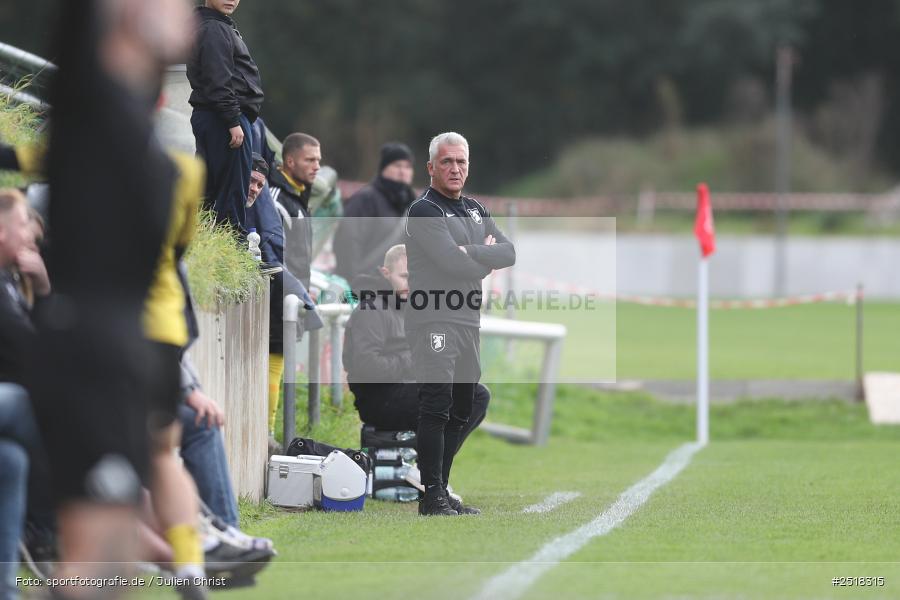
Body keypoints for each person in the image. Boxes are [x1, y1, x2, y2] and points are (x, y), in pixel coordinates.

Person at [32, 0, 196, 594]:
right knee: (96, 563)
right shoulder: (92, 99)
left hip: (121, 349)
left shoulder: (132, 108)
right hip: (91, 349)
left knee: (112, 566)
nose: (187, 14)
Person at [404, 132, 515, 516]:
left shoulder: (474, 209)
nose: (455, 168)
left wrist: (471, 252)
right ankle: (430, 495)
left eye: (462, 162)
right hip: (433, 317)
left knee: (462, 407)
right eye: (447, 162)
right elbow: (451, 263)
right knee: (437, 404)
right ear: (431, 167)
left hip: (467, 319)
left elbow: (509, 251)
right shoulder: (424, 211)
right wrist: (482, 256)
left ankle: (441, 488)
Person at [344, 243, 489, 438]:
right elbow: (367, 367)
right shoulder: (371, 310)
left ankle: (433, 458)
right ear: (386, 273)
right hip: (380, 399)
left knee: (474, 393)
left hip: (410, 388)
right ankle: (433, 459)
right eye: (404, 276)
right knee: (470, 395)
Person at [187, 0, 264, 231]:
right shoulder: (214, 28)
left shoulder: (215, 25)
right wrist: (232, 119)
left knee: (211, 193)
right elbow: (217, 80)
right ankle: (231, 244)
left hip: (218, 116)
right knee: (230, 195)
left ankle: (216, 243)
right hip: (224, 118)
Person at [267, 133, 321, 444]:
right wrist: (293, 289)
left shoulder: (298, 196)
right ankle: (268, 432)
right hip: (277, 297)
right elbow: (274, 253)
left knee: (281, 361)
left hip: (292, 296)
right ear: (289, 161)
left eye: (318, 160)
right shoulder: (276, 197)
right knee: (274, 361)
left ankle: (271, 432)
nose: (316, 166)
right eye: (309, 160)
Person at [333, 143, 416, 287]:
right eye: (397, 165)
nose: (403, 171)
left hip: (397, 287)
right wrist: (353, 283)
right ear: (384, 168)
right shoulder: (365, 199)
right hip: (365, 285)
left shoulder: (412, 203)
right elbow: (348, 242)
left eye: (408, 167)